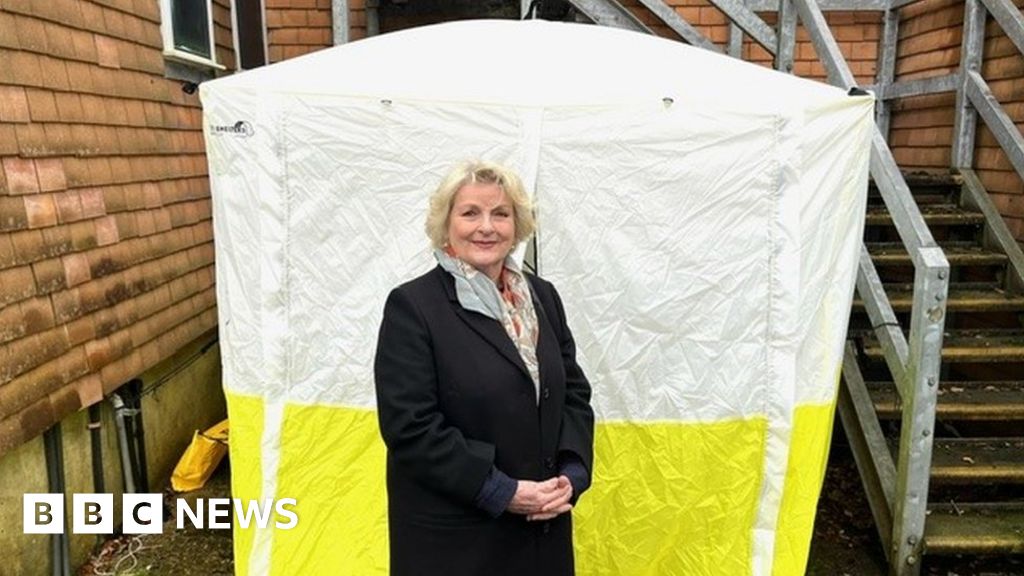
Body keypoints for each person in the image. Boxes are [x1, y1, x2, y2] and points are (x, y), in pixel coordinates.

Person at [374, 160, 595, 576]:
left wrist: (572, 472)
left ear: (519, 224)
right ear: (446, 225)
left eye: (501, 213)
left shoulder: (542, 297)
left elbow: (574, 394)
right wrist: (501, 490)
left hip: (541, 534)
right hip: (459, 543)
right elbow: (410, 426)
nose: (486, 227)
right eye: (470, 212)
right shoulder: (414, 307)